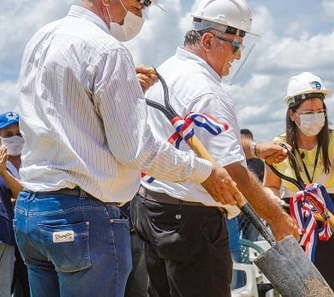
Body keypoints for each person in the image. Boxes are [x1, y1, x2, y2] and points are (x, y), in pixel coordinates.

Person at [15, 1, 242, 296]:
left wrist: (126, 89)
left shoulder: (41, 38)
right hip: (83, 216)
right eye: (134, 4)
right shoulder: (107, 50)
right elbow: (136, 150)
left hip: (33, 211)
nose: (132, 16)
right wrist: (205, 172)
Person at [131, 1, 299, 296]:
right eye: (235, 46)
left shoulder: (164, 73)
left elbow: (193, 139)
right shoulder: (207, 91)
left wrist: (255, 149)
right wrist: (277, 218)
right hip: (194, 227)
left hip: (152, 212)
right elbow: (233, 171)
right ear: (208, 40)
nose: (237, 56)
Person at [264, 72, 334, 297]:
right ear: (293, 114)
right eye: (308, 112)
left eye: (320, 111)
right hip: (296, 222)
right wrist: (279, 218)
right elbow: (270, 187)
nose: (315, 117)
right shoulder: (278, 146)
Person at [0, 112, 27, 297]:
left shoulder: (33, 161)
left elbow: (23, 194)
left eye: (19, 133)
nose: (15, 138)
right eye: (8, 134)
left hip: (26, 234)